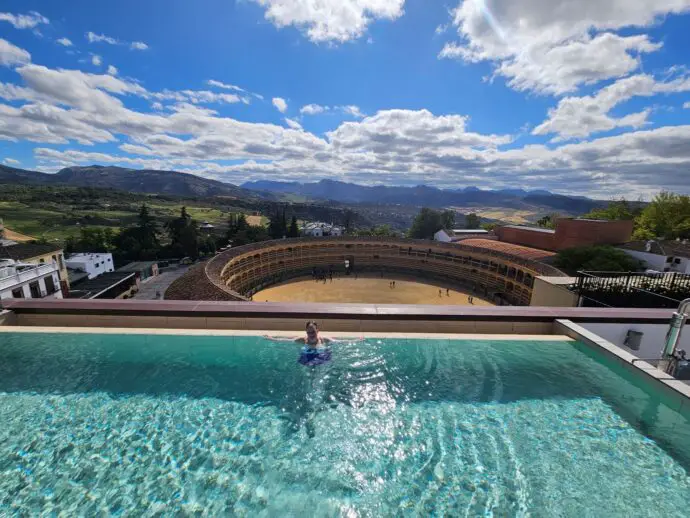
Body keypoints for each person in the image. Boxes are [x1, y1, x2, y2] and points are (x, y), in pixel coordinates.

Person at [265, 321, 363, 366]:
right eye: (309, 332)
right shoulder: (302, 340)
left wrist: (356, 340)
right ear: (306, 332)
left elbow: (340, 342)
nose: (311, 334)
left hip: (322, 357)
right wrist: (272, 338)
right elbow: (286, 340)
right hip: (307, 358)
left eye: (313, 332)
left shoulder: (324, 340)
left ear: (318, 331)